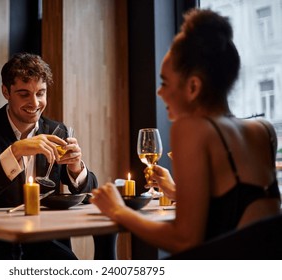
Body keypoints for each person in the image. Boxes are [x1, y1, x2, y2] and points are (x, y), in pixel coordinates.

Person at [90, 9, 281, 255]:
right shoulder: (263, 130)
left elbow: (184, 241)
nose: (160, 93)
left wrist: (118, 210)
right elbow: (236, 215)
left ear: (193, 87)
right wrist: (175, 192)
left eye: (164, 83)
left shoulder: (192, 128)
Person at [0, 52, 98, 259]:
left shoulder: (56, 129)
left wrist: (76, 168)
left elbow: (90, 192)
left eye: (40, 93)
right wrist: (16, 151)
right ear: (6, 91)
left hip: (46, 240)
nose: (34, 103)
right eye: (24, 94)